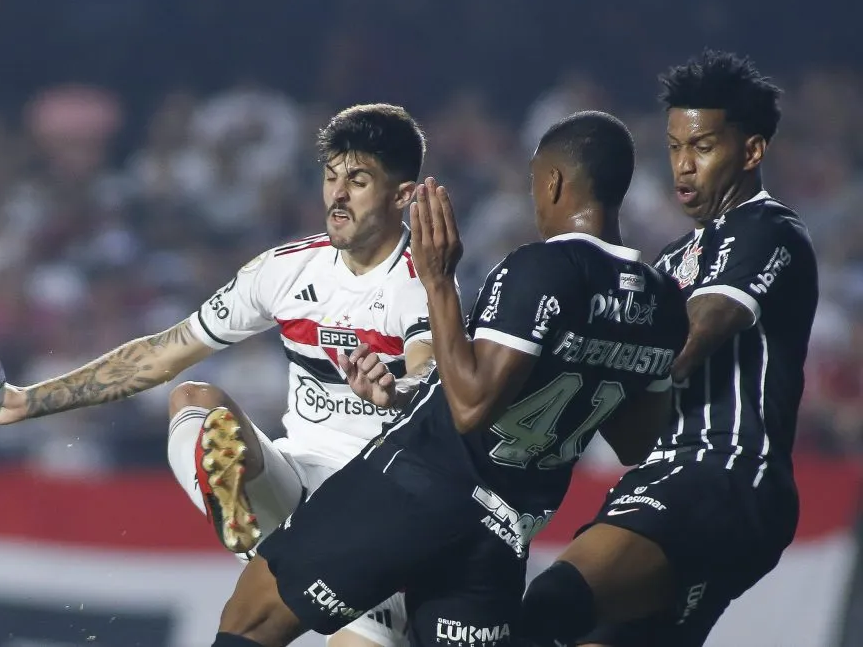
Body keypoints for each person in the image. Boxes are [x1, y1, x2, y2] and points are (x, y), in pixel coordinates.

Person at [208, 110, 689, 647]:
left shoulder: (540, 268)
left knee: (253, 617)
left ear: (554, 181)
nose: (533, 198)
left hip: (417, 487)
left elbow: (469, 406)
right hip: (506, 524)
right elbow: (637, 442)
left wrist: (438, 280)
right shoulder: (664, 302)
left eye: (534, 180)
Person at [0, 103, 439, 647]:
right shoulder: (285, 270)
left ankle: (258, 531)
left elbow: (431, 374)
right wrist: (26, 401)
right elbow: (162, 353)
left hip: (376, 512)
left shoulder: (422, 282)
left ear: (401, 195)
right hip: (293, 486)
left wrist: (396, 395)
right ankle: (233, 507)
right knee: (196, 399)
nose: (338, 195)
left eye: (359, 180)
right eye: (331, 177)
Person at [517, 50, 819, 647]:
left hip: (724, 473)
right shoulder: (670, 260)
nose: (684, 165)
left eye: (702, 147)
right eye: (676, 147)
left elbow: (698, 331)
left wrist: (591, 353)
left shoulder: (769, 229)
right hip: (664, 476)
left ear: (752, 151)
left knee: (551, 604)